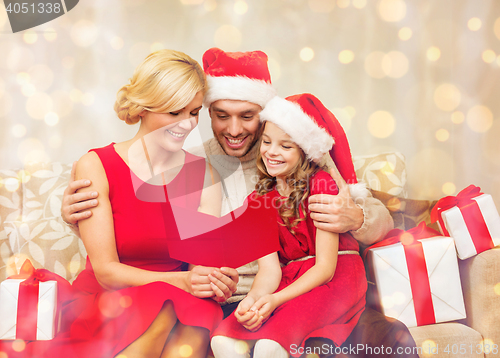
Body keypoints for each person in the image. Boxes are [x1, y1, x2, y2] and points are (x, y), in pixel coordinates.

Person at [61, 48, 417, 358]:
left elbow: (379, 220)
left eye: (247, 116)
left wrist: (356, 217)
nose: (234, 129)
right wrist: (80, 220)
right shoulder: (198, 165)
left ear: (266, 113)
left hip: (309, 292)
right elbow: (163, 249)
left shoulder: (303, 155)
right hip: (236, 301)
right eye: (219, 115)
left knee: (390, 339)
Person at [33, 49, 238, 358]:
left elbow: (200, 265)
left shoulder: (202, 174)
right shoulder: (97, 165)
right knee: (170, 304)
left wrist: (215, 280)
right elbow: (107, 272)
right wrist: (182, 281)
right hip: (110, 300)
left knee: (198, 311)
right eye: (174, 112)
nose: (187, 124)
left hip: (178, 299)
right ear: (143, 108)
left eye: (194, 113)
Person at [211, 93, 368, 358]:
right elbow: (270, 271)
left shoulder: (321, 184)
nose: (272, 152)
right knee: (223, 340)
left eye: (286, 147)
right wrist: (253, 301)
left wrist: (275, 301)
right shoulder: (258, 199)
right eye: (267, 142)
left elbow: (325, 269)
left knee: (270, 346)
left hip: (336, 278)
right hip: (290, 278)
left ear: (304, 152)